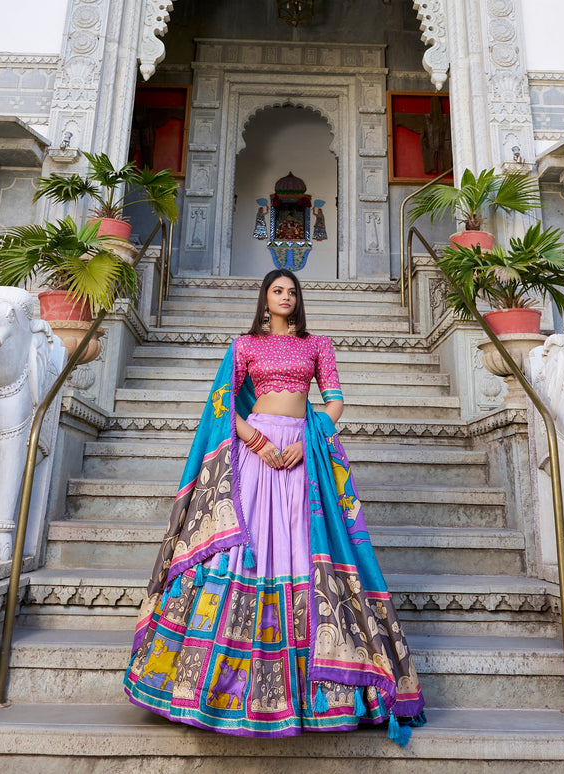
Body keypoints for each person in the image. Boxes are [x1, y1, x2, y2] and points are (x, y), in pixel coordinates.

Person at [124, 269, 425, 741]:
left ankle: (318, 693)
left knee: (303, 550)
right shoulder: (244, 345)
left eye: (291, 291)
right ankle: (207, 688)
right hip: (257, 452)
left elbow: (335, 402)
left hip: (304, 455)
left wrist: (309, 441)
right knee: (248, 550)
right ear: (265, 299)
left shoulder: (317, 345)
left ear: (298, 299)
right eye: (277, 291)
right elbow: (223, 403)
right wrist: (256, 440)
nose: (285, 297)